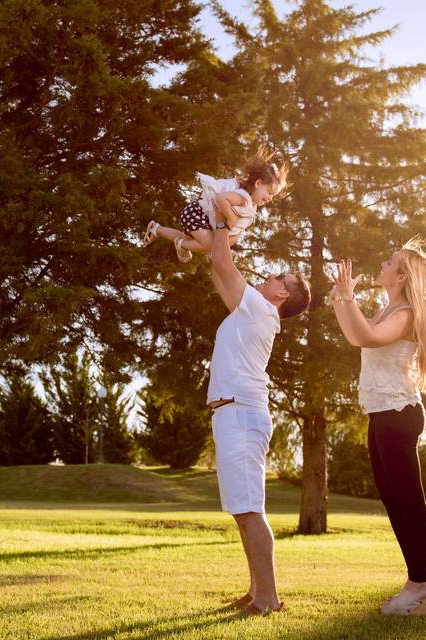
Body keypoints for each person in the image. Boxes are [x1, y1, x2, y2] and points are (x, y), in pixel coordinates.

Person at [328, 238, 426, 616]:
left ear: (401, 276)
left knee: (408, 501)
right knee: (394, 500)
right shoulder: (389, 309)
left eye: (391, 260)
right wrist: (341, 298)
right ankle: (417, 584)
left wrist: (348, 299)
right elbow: (355, 336)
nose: (383, 262)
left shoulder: (407, 314)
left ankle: (421, 587)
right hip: (382, 414)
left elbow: (365, 336)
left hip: (398, 415)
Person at [207, 224, 311, 616]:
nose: (267, 277)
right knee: (242, 508)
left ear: (282, 294)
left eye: (276, 277)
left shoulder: (260, 308)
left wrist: (220, 220)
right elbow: (217, 269)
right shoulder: (249, 308)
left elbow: (221, 260)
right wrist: (209, 240)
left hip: (241, 414)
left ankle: (268, 599)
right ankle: (256, 592)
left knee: (249, 509)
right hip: (232, 413)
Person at [142, 148, 289, 262]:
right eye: (269, 192)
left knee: (193, 241)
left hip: (205, 218)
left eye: (273, 197)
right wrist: (231, 219)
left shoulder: (251, 206)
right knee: (206, 244)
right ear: (258, 184)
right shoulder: (243, 197)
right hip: (198, 213)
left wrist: (229, 239)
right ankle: (180, 245)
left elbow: (239, 227)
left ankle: (156, 229)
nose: (270, 198)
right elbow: (221, 198)